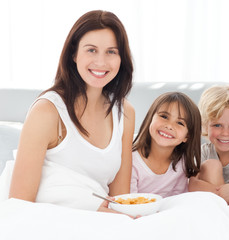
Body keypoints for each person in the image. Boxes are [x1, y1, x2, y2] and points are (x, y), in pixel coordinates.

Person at [8, 10, 135, 213]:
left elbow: (120, 201)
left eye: (112, 51)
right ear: (74, 54)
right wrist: (89, 208)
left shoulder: (125, 113)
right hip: (49, 222)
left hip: (102, 223)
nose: (101, 62)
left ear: (122, 58)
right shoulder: (47, 112)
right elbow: (19, 204)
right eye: (91, 50)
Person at [188, 85, 229, 204]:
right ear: (205, 125)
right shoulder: (202, 152)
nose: (225, 133)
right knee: (212, 165)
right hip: (210, 205)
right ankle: (220, 208)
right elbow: (191, 185)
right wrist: (221, 193)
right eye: (217, 125)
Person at [131, 92, 202, 197]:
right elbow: (127, 201)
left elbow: (178, 199)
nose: (169, 126)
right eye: (164, 116)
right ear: (151, 118)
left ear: (187, 136)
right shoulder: (131, 160)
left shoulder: (181, 163)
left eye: (180, 123)